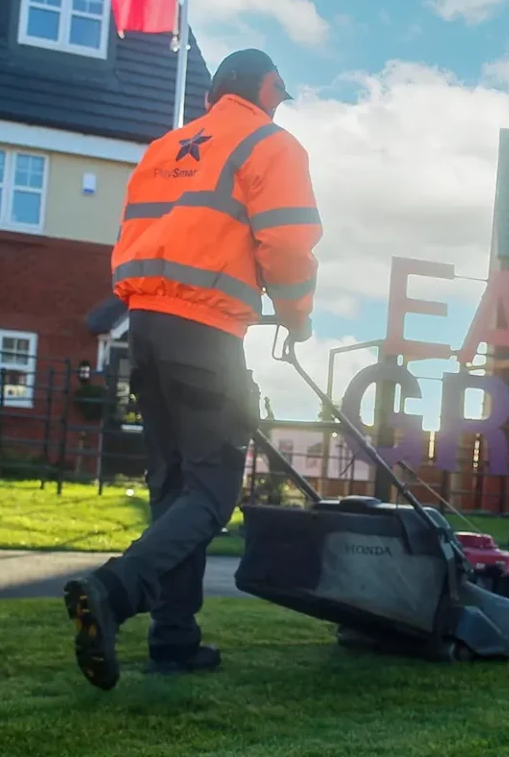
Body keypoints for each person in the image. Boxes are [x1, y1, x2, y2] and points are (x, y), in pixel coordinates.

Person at [62, 49, 322, 691]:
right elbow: (287, 241)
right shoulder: (269, 143)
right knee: (211, 491)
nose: (277, 102)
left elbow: (140, 237)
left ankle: (174, 641)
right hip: (205, 332)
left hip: (144, 327)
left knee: (173, 486)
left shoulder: (162, 150)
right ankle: (114, 593)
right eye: (277, 91)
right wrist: (295, 314)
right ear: (265, 86)